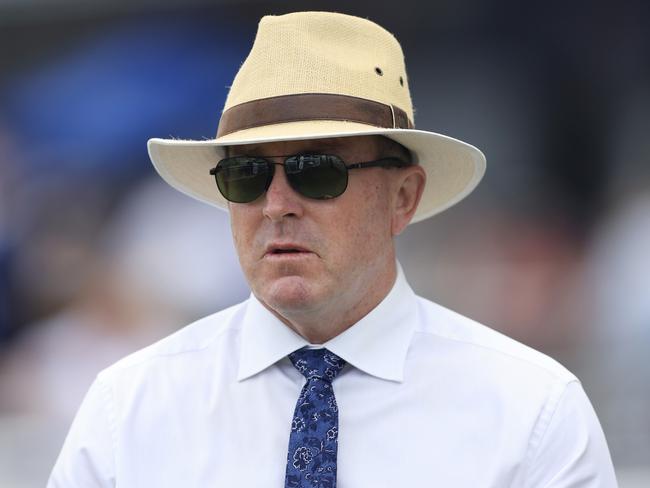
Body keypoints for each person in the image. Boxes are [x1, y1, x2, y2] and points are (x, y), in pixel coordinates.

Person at [48, 11, 617, 487]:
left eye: (315, 171)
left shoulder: (531, 412)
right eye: (246, 175)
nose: (275, 204)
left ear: (403, 197)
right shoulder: (129, 409)